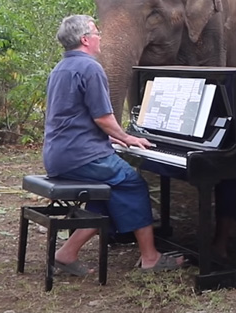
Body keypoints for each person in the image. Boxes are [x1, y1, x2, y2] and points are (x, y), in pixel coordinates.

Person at [42, 14, 184, 275]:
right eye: (97, 33)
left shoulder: (59, 68)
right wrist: (127, 138)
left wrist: (113, 137)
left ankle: (66, 253)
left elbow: (73, 117)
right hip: (81, 156)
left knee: (109, 191)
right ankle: (150, 258)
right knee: (132, 183)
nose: (100, 38)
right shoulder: (90, 67)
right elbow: (103, 118)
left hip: (58, 154)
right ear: (85, 40)